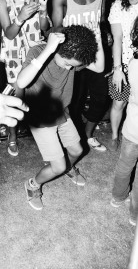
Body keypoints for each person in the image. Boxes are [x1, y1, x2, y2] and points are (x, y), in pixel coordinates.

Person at [17, 24, 104, 210]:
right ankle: (33, 185)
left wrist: (98, 38)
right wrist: (48, 49)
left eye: (73, 66)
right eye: (67, 63)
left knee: (76, 151)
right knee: (56, 166)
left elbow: (100, 67)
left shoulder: (74, 56)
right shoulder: (39, 51)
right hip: (41, 116)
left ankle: (67, 168)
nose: (69, 68)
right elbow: (22, 81)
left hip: (61, 112)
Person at [51, 0, 111, 152]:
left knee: (100, 99)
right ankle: (71, 145)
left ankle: (86, 136)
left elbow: (102, 20)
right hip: (74, 59)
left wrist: (107, 36)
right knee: (72, 105)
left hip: (96, 56)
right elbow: (57, 30)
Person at [0, 0, 50, 156]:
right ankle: (12, 133)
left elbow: (44, 27)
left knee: (37, 93)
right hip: (14, 53)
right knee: (17, 97)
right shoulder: (3, 0)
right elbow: (9, 34)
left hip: (35, 50)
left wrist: (44, 11)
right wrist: (20, 17)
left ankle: (41, 132)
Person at [110, 15, 138, 227]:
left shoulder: (132, 63)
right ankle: (135, 215)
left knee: (124, 165)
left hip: (131, 129)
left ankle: (117, 197)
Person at [107, 0, 138, 151]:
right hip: (124, 65)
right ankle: (114, 135)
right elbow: (117, 38)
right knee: (119, 102)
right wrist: (118, 69)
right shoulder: (118, 5)